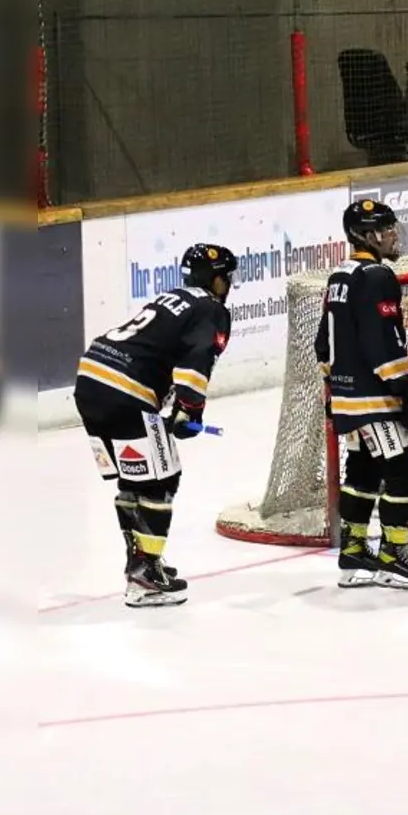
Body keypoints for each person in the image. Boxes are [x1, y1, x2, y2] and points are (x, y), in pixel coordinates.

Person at [73, 244, 233, 606]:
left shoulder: (172, 297)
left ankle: (142, 561)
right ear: (218, 278)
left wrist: (178, 409)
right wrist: (190, 411)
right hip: (125, 390)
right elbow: (196, 361)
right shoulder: (212, 308)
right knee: (162, 479)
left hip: (90, 380)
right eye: (227, 277)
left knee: (135, 478)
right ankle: (144, 574)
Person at [316, 200, 408, 592]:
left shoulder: (340, 275)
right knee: (402, 469)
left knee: (363, 469)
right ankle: (393, 553)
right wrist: (403, 384)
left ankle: (353, 548)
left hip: (346, 396)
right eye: (384, 229)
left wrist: (340, 383)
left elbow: (322, 344)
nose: (393, 234)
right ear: (365, 236)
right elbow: (382, 340)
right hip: (374, 398)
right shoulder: (378, 275)